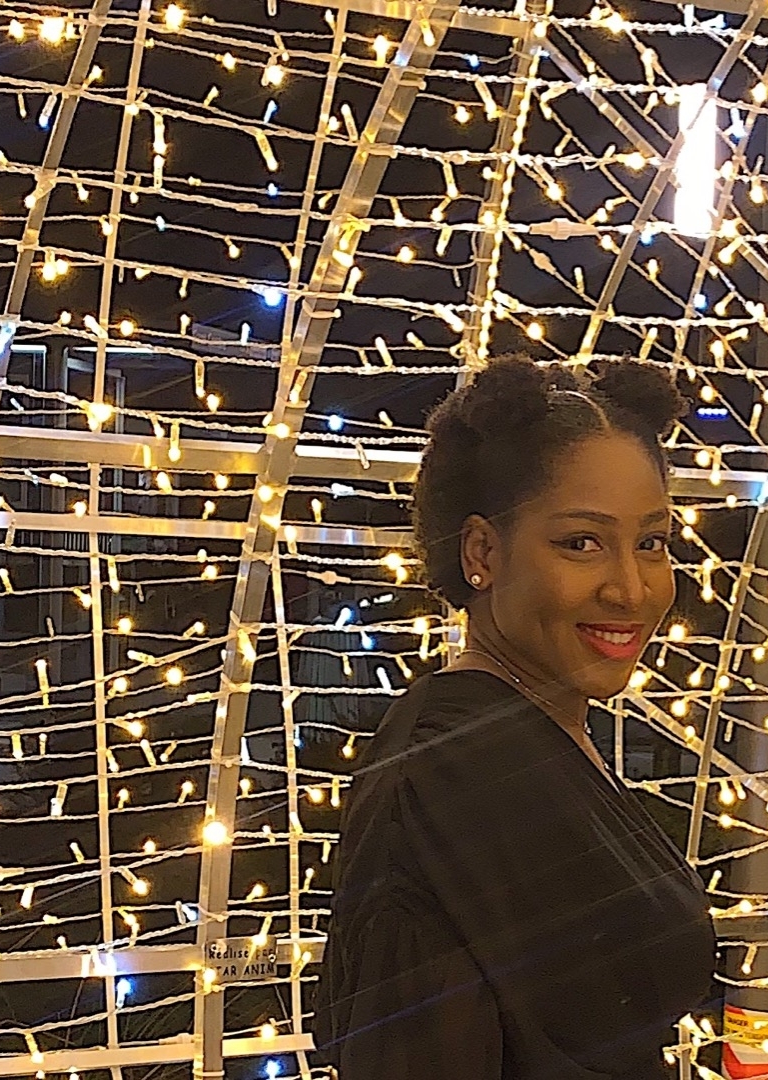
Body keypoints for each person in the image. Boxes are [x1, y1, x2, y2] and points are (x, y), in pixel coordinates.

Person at [313, 356, 718, 1079]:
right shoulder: (448, 774)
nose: (631, 590)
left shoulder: (538, 732)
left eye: (651, 543)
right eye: (581, 542)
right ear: (483, 551)